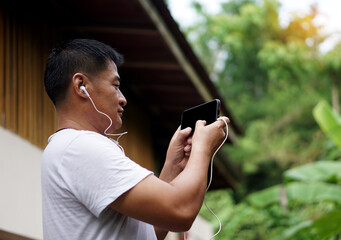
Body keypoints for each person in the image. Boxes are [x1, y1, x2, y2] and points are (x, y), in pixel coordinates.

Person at [42, 38, 229, 240]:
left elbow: (151, 230)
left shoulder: (69, 148)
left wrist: (172, 166)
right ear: (81, 85)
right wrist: (203, 148)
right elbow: (180, 212)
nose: (123, 98)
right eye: (115, 85)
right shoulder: (80, 147)